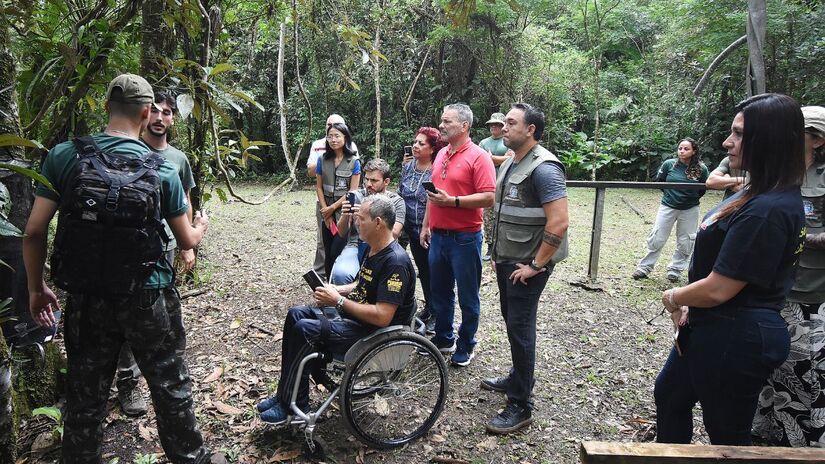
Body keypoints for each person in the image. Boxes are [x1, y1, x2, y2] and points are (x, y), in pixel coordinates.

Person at [23, 74, 216, 462]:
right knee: (169, 386)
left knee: (85, 393)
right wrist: (201, 226)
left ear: (105, 105)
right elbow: (186, 241)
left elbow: (33, 231)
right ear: (147, 113)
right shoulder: (162, 168)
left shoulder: (64, 155)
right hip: (147, 296)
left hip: (87, 294)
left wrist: (36, 287)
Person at [655, 93, 806, 446]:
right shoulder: (757, 189)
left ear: (767, 140)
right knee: (670, 395)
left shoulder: (767, 209)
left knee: (727, 435)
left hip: (737, 336)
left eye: (738, 134)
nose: (727, 141)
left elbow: (720, 288)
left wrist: (675, 296)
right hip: (711, 325)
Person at [255, 194, 417, 423]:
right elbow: (363, 284)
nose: (355, 222)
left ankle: (295, 405)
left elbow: (382, 316)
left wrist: (338, 302)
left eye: (361, 218)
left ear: (378, 222)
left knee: (304, 329)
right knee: (295, 315)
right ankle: (285, 395)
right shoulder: (374, 249)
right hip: (356, 320)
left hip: (373, 334)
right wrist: (337, 290)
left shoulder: (395, 262)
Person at [110, 91, 199, 418]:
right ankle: (128, 381)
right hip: (127, 249)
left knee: (162, 313)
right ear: (145, 115)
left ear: (173, 119)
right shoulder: (128, 149)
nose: (162, 118)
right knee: (127, 316)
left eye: (168, 113)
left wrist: (188, 246)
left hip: (166, 246)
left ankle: (167, 380)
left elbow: (186, 201)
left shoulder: (177, 159)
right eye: (157, 112)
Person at [483, 103, 569, 434]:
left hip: (527, 265)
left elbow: (559, 222)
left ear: (530, 129)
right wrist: (496, 253)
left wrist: (536, 265)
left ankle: (521, 404)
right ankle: (518, 377)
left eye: (511, 123)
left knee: (521, 326)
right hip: (508, 259)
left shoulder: (545, 168)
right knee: (512, 319)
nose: (504, 127)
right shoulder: (511, 161)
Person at [753, 105, 825, 447]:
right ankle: (766, 437)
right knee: (772, 369)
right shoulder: (775, 171)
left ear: (817, 140)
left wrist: (799, 236)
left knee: (808, 373)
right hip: (773, 289)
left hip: (813, 292)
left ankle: (804, 445)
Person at [420, 103, 496, 366]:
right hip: (438, 236)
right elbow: (433, 195)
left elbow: (489, 197)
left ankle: (466, 344)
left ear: (464, 126)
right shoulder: (441, 154)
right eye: (442, 120)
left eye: (447, 121)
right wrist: (426, 225)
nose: (442, 125)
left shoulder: (479, 157)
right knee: (439, 292)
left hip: (465, 238)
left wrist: (453, 201)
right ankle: (444, 338)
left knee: (467, 296)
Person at [632, 138, 708, 282]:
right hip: (668, 206)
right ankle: (644, 267)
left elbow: (702, 189)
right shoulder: (669, 165)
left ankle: (675, 270)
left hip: (690, 208)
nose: (682, 151)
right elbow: (660, 182)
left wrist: (688, 198)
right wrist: (671, 195)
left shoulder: (701, 168)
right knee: (657, 236)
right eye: (680, 148)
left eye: (686, 149)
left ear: (694, 151)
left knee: (686, 240)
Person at [399, 127, 446, 333]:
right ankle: (429, 307)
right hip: (409, 227)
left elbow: (433, 202)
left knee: (435, 272)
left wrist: (425, 227)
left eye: (421, 143)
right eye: (415, 142)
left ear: (432, 148)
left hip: (429, 230)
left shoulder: (437, 169)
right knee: (423, 272)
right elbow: (401, 193)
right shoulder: (408, 167)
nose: (416, 146)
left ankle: (438, 313)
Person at [331, 158, 405, 285]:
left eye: (374, 180)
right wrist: (345, 215)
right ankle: (345, 303)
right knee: (340, 275)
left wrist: (367, 215)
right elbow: (341, 233)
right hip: (356, 245)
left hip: (383, 248)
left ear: (386, 181)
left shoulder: (396, 201)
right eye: (366, 179)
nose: (368, 184)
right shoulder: (356, 196)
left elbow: (395, 233)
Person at [307, 115, 359, 279]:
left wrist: (332, 209)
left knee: (341, 246)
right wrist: (325, 211)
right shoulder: (322, 160)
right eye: (330, 136)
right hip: (326, 211)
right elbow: (319, 186)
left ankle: (342, 281)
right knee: (326, 248)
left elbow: (352, 191)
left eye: (337, 136)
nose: (333, 139)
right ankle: (327, 283)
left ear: (345, 137)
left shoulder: (354, 161)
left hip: (342, 212)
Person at [478, 112, 514, 260]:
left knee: (504, 216)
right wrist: (494, 159)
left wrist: (491, 158)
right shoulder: (484, 142)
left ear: (503, 126)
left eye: (497, 124)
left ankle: (504, 246)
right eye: (491, 124)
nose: (494, 127)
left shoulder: (508, 141)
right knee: (488, 217)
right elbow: (480, 161)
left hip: (506, 183)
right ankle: (490, 247)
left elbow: (510, 159)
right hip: (488, 185)